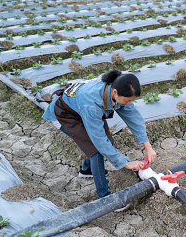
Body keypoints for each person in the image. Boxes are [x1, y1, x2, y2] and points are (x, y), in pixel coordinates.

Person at [42, 69, 157, 198]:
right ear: (115, 92)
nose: (129, 103)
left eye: (131, 100)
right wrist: (126, 163)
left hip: (81, 109)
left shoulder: (118, 88)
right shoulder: (92, 103)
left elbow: (133, 117)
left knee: (108, 142)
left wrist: (148, 147)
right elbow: (99, 140)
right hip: (65, 114)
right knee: (96, 150)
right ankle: (105, 196)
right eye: (127, 100)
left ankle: (87, 170)